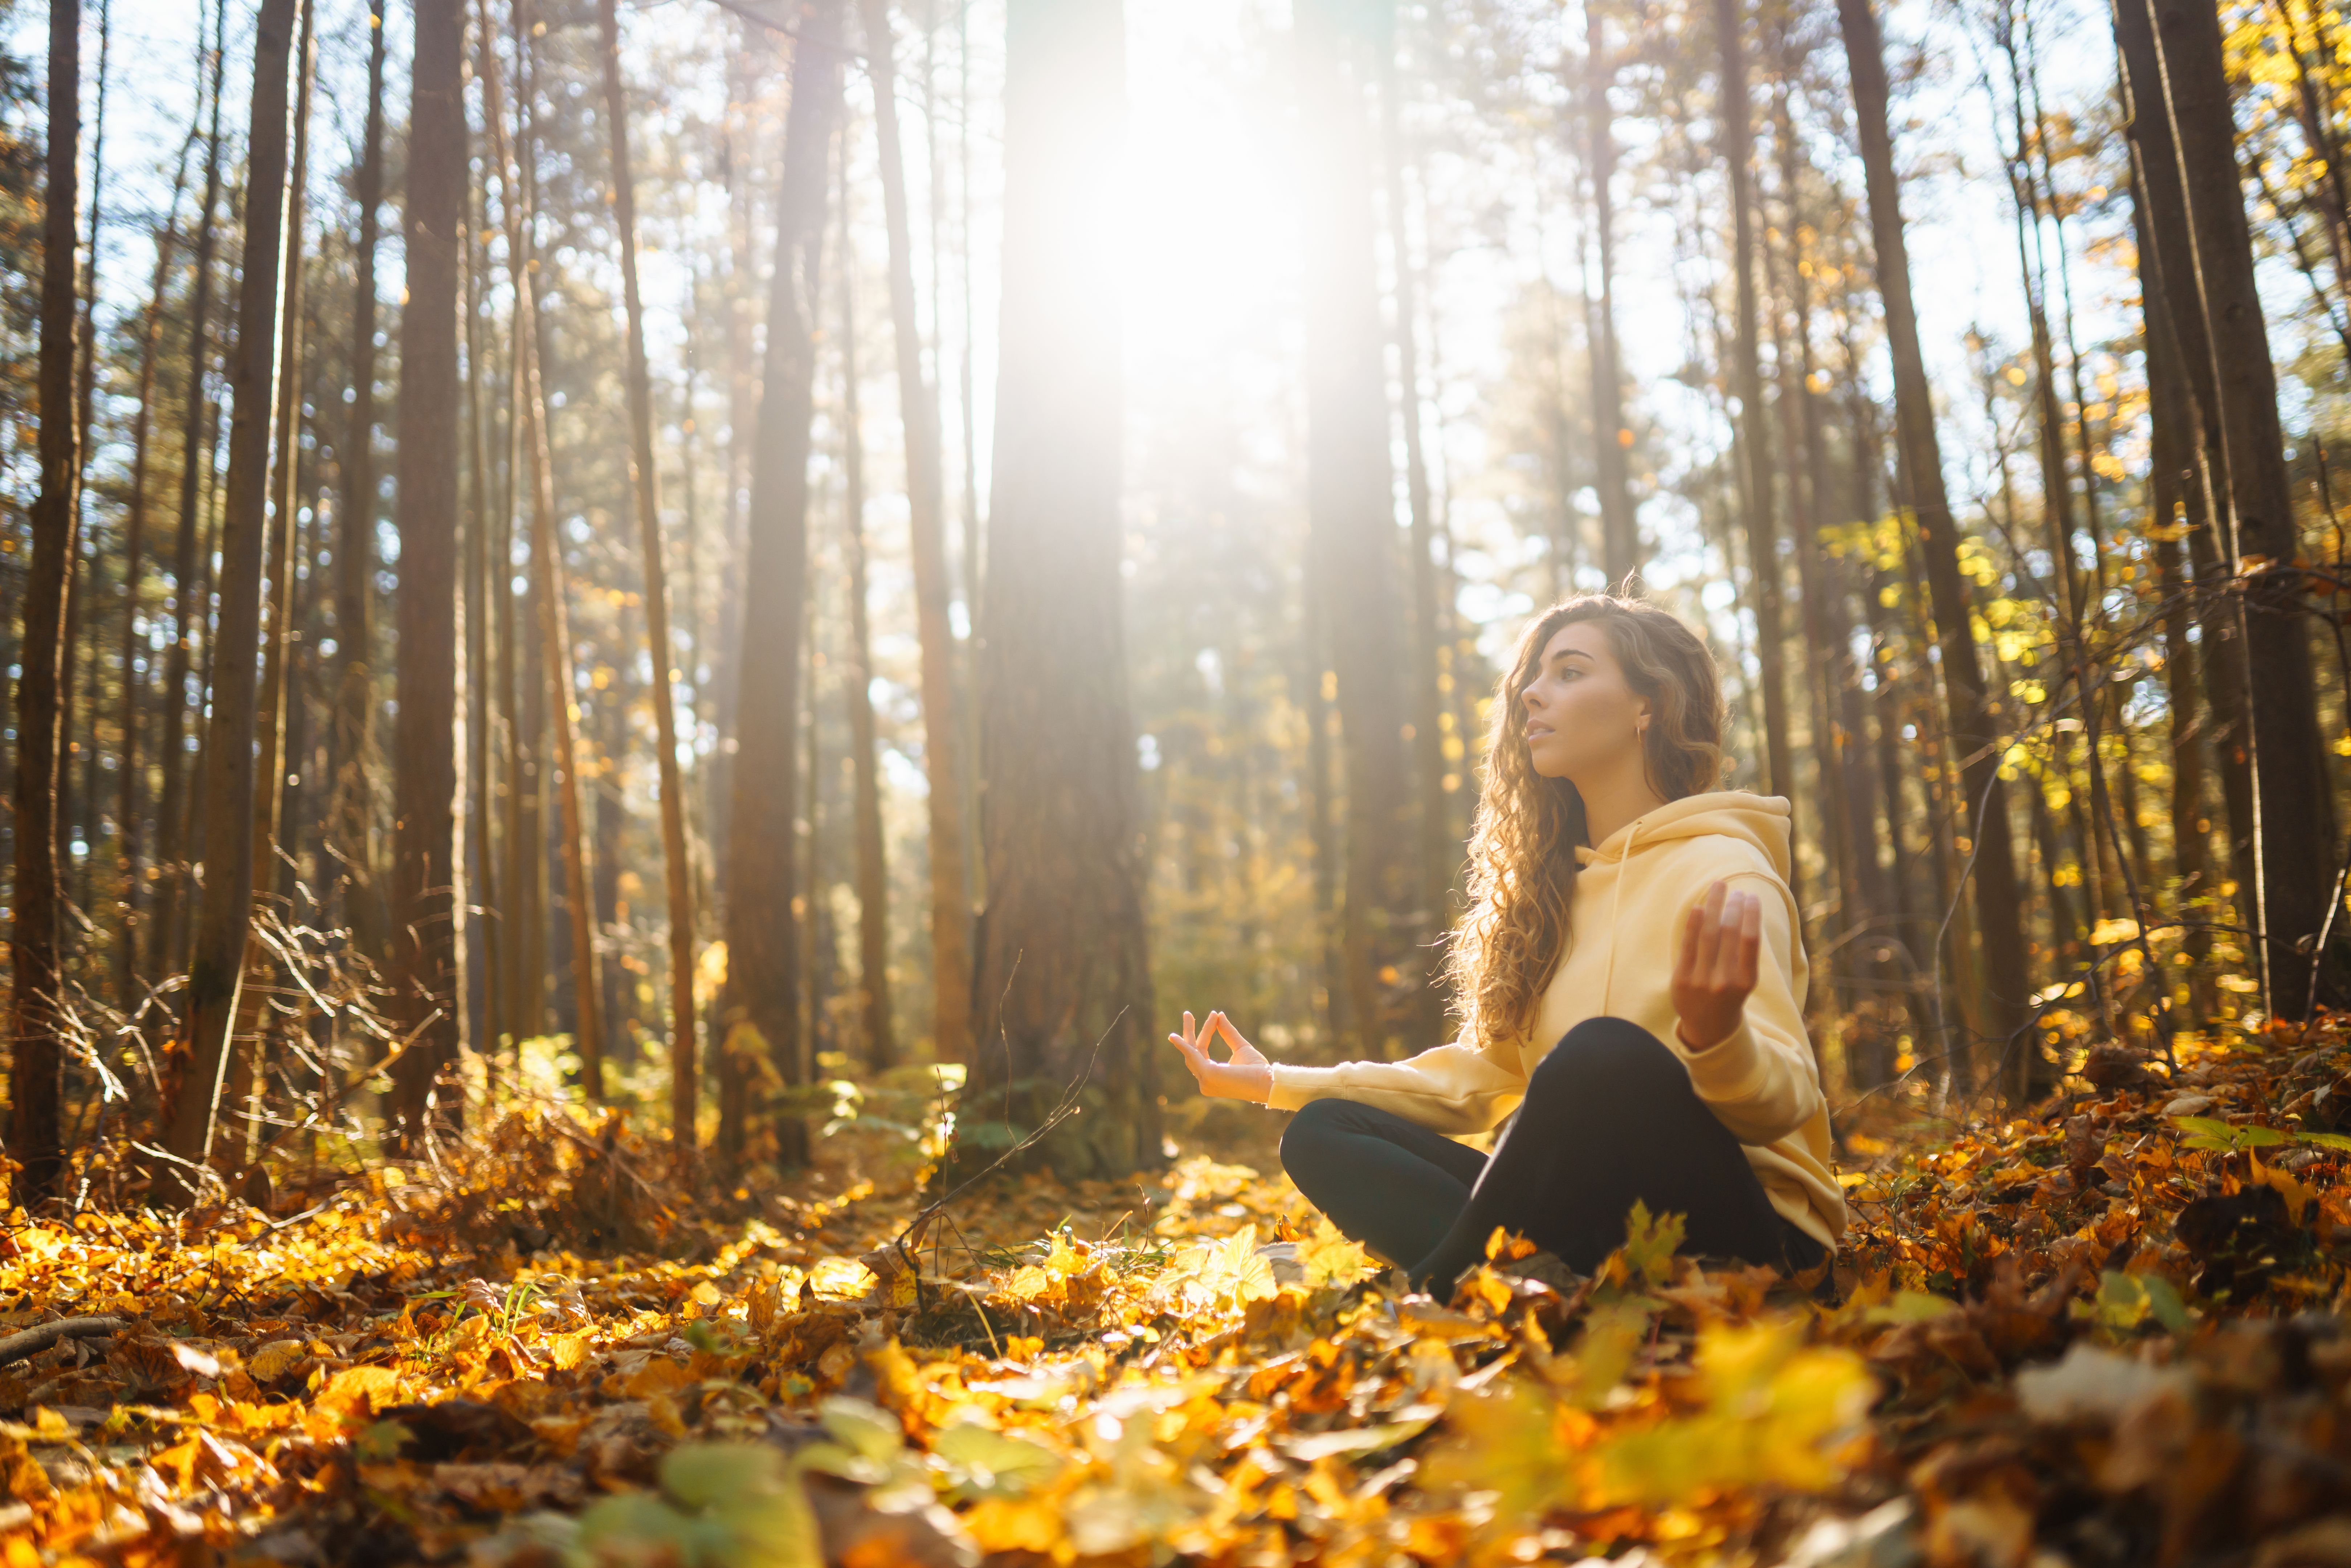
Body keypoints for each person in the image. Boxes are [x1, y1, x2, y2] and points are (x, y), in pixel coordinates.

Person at [1166, 593, 1843, 1293]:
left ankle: (1438, 1295)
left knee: (1603, 1057)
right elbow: (1479, 1078)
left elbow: (1785, 1101)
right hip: (1603, 1229)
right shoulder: (1556, 893)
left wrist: (1717, 1040)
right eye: (1534, 677)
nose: (1530, 693)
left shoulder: (1721, 871)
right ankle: (1521, 1287)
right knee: (1324, 1132)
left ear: (1650, 705)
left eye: (1570, 672)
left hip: (1752, 1241)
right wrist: (1276, 1083)